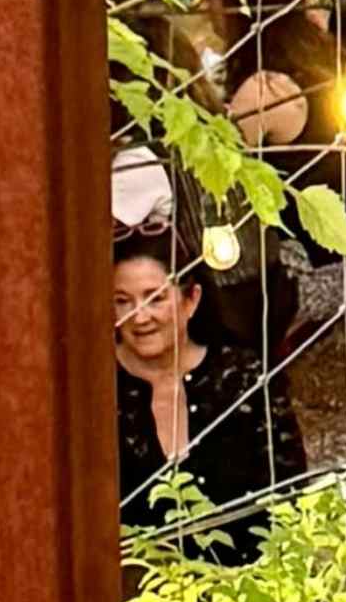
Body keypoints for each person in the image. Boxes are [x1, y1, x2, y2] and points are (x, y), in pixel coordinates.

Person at [112, 226, 297, 559]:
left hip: (246, 585)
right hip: (136, 595)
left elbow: (289, 492)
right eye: (122, 302)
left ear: (191, 300)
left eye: (155, 299)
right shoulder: (95, 389)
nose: (139, 317)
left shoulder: (243, 377)